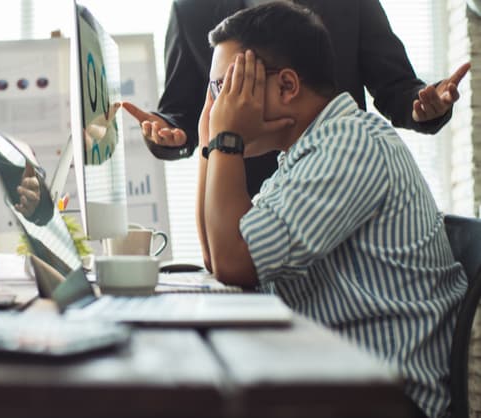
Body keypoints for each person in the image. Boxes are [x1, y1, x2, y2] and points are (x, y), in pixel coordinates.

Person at [196, 3, 467, 418]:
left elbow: (234, 261)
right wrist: (209, 143)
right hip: (336, 383)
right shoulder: (302, 158)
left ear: (286, 86)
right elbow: (218, 258)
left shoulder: (349, 144)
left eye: (228, 87)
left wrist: (225, 139)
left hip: (383, 401)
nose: (218, 107)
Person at [123, 0, 470, 196]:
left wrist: (425, 106)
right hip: (244, 189)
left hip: (337, 177)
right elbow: (180, 111)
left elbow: (396, 86)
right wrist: (169, 134)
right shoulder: (192, 10)